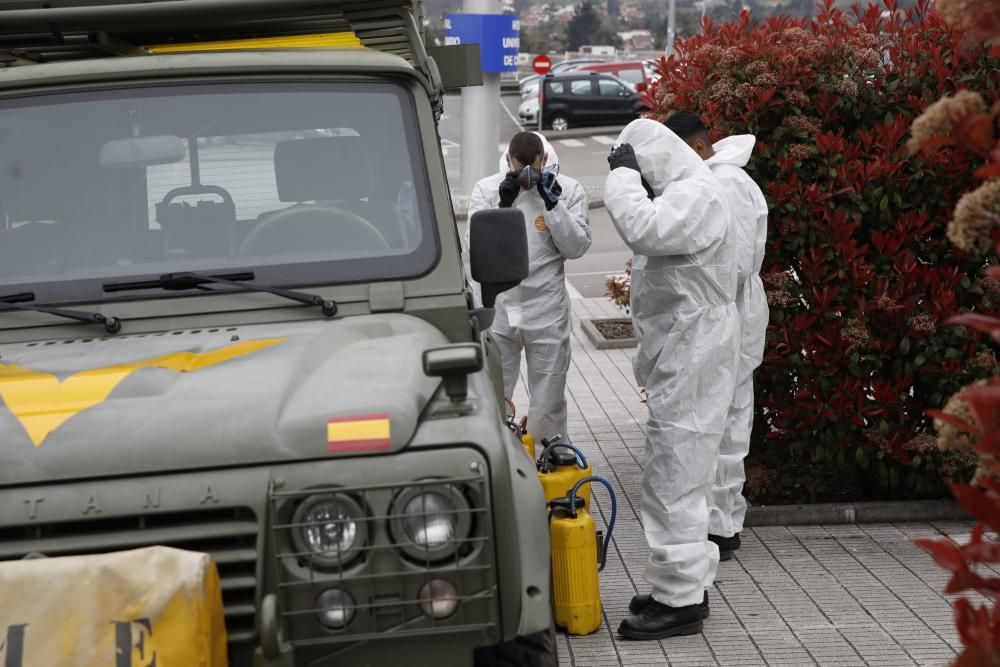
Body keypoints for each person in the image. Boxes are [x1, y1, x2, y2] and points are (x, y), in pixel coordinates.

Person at [604, 118, 740, 640]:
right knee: (680, 470)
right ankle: (682, 585)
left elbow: (642, 227)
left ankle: (678, 600)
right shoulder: (692, 191)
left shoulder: (696, 196)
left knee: (675, 474)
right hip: (691, 345)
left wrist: (622, 178)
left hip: (695, 347)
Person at [663, 111, 769, 560]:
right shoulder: (723, 180)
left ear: (699, 147)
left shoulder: (724, 184)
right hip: (730, 311)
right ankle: (720, 522)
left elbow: (737, 262)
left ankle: (721, 527)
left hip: (729, 312)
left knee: (723, 421)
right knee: (725, 420)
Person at [466, 131, 591, 444]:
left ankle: (547, 460)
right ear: (508, 159)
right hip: (502, 308)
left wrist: (554, 205)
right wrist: (502, 207)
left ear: (544, 160)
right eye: (519, 168)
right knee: (495, 394)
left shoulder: (568, 190)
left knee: (548, 400)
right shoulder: (488, 190)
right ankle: (499, 457)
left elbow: (576, 247)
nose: (526, 176)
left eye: (532, 168)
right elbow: (476, 249)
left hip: (546, 308)